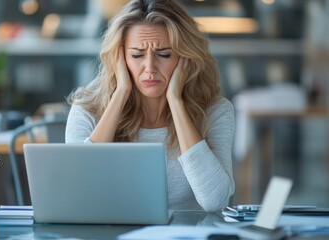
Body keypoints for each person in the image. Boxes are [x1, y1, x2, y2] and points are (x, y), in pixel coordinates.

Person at [65, 0, 235, 212]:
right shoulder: (87, 109)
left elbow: (215, 201)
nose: (150, 68)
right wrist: (120, 94)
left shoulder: (215, 111)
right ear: (120, 57)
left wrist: (176, 101)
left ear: (186, 57)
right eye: (136, 55)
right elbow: (78, 193)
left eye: (164, 54)